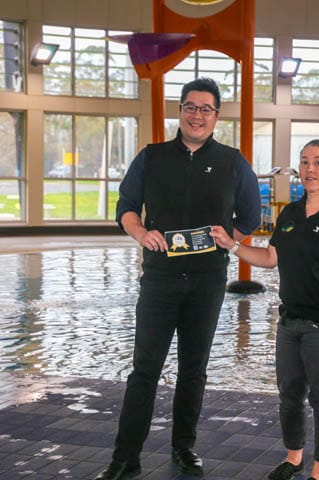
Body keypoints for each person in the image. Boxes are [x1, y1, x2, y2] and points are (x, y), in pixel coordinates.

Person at [95, 77, 261, 480]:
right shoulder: (152, 157)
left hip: (207, 280)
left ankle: (184, 447)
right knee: (144, 370)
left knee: (193, 369)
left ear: (216, 116)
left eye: (206, 109)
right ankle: (125, 459)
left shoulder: (233, 161)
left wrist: (228, 241)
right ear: (180, 110)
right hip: (160, 279)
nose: (197, 115)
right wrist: (141, 233)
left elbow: (251, 214)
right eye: (190, 106)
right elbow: (126, 206)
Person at [211, 139, 319, 480]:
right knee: (289, 396)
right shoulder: (290, 213)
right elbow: (271, 258)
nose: (310, 169)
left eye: (318, 162)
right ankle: (294, 458)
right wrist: (232, 245)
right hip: (289, 323)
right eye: (304, 162)